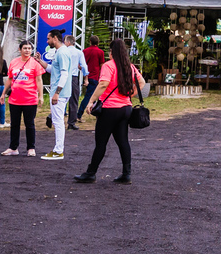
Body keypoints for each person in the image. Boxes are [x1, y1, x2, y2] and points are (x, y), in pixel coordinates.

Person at [73, 36, 145, 184]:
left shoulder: (108, 65)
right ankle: (126, 174)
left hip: (110, 109)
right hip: (126, 108)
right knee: (123, 141)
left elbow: (103, 84)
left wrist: (91, 101)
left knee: (101, 142)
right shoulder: (129, 66)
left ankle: (91, 173)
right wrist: (129, 94)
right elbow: (141, 82)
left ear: (112, 52)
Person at [1, 39, 44, 156]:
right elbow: (10, 79)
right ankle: (13, 148)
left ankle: (31, 148)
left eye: (29, 48)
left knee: (29, 124)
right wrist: (3, 93)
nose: (27, 50)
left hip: (30, 99)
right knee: (14, 124)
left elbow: (39, 80)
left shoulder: (35, 63)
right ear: (20, 50)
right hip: (14, 99)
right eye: (25, 48)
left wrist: (41, 96)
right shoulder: (14, 62)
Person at [43, 33, 77, 160]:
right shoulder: (61, 52)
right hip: (61, 92)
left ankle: (58, 151)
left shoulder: (62, 53)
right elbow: (54, 70)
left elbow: (64, 74)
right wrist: (40, 61)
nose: (47, 41)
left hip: (60, 93)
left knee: (58, 122)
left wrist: (57, 92)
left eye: (48, 38)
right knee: (58, 122)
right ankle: (58, 150)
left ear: (55, 38)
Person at [78, 37, 104, 121]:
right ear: (98, 42)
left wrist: (85, 72)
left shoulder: (85, 51)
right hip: (96, 77)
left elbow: (80, 65)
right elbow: (102, 65)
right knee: (93, 96)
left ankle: (94, 113)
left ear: (90, 42)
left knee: (89, 96)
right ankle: (79, 114)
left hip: (87, 76)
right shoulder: (100, 52)